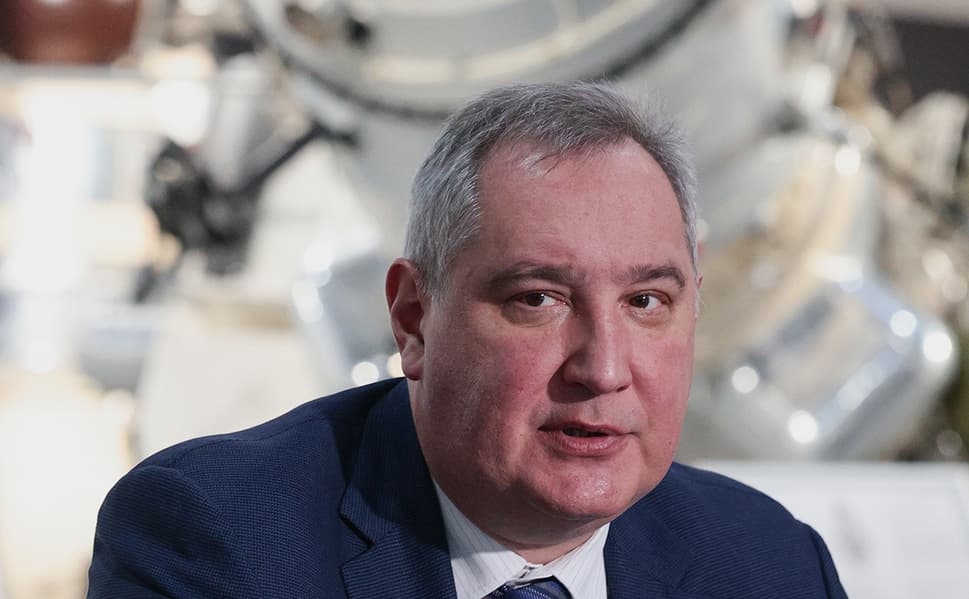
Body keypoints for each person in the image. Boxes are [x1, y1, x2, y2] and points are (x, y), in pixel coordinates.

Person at [88, 81, 847, 598]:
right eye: (538, 299)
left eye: (645, 301)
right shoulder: (215, 541)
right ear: (413, 319)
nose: (604, 368)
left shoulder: (770, 564)